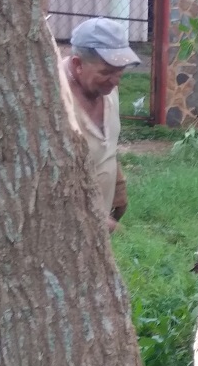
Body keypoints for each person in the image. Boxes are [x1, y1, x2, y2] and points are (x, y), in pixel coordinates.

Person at [59, 17, 141, 233]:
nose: (115, 81)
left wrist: (118, 184)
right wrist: (90, 216)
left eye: (120, 71)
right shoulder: (54, 98)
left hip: (97, 228)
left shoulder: (107, 88)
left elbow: (107, 144)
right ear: (78, 65)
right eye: (106, 72)